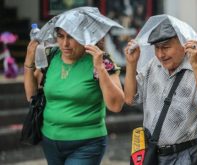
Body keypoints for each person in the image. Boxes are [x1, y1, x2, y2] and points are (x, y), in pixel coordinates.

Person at [24, 7, 124, 165]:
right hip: (50, 139)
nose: (65, 44)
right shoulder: (51, 56)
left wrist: (100, 69)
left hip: (87, 143)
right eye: (60, 36)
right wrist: (29, 63)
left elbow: (116, 105)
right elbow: (31, 96)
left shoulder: (101, 60)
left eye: (71, 37)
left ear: (84, 36)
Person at [124, 15, 197, 165]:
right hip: (152, 154)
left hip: (185, 155)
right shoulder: (153, 65)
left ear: (183, 43)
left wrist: (196, 66)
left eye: (165, 47)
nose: (160, 54)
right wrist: (131, 64)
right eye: (157, 48)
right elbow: (130, 98)